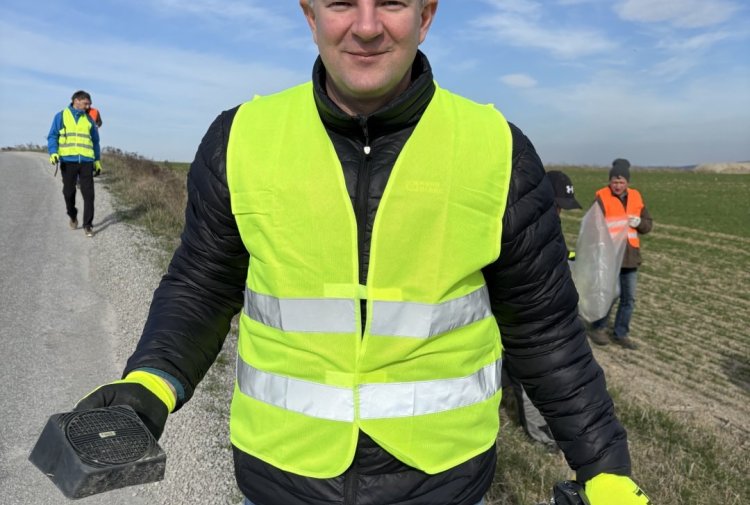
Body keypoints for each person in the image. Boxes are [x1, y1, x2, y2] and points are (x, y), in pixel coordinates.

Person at [74, 2, 650, 504]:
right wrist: (152, 380)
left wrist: (605, 470)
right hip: (280, 483)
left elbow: (545, 331)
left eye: (392, 2)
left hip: (442, 487)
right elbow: (201, 285)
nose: (367, 27)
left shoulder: (498, 150)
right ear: (311, 15)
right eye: (342, 3)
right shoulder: (241, 138)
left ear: (426, 15)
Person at [502, 170, 582, 452]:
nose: (559, 212)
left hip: (543, 313)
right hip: (525, 316)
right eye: (557, 205)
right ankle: (540, 435)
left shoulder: (547, 223)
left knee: (519, 370)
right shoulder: (522, 225)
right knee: (531, 375)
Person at [588, 159, 653, 349]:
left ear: (628, 182)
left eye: (621, 182)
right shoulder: (602, 197)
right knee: (608, 295)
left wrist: (639, 223)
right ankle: (598, 328)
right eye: (614, 182)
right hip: (609, 256)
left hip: (630, 258)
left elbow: (648, 225)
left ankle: (621, 333)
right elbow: (592, 225)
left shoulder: (636, 197)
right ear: (609, 181)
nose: (617, 185)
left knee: (628, 299)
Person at [47, 90, 102, 237]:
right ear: (76, 101)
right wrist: (53, 152)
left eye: (89, 104)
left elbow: (95, 142)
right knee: (68, 193)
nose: (88, 106)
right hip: (68, 161)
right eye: (86, 103)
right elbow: (52, 136)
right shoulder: (61, 116)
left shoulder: (89, 119)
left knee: (89, 195)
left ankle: (88, 225)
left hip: (86, 162)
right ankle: (72, 215)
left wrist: (97, 160)